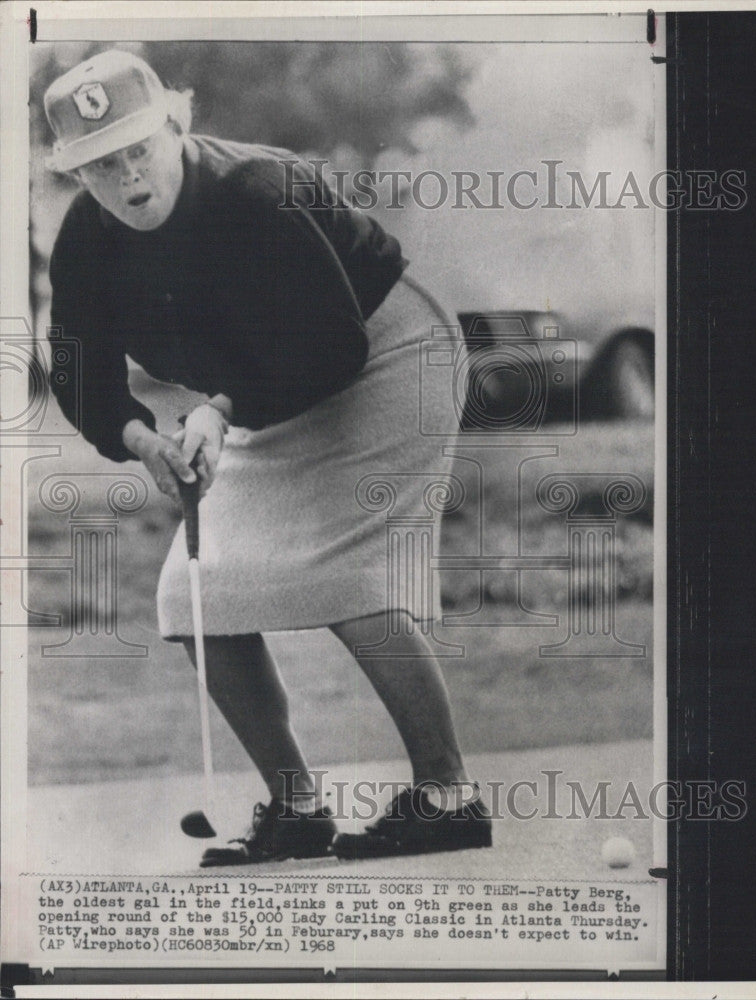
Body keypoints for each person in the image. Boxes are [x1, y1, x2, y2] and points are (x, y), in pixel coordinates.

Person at [43, 48, 491, 865]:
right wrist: (143, 439)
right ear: (78, 176)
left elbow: (332, 343)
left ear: (176, 126)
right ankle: (297, 808)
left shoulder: (253, 193)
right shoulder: (84, 245)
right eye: (102, 165)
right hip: (261, 384)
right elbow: (79, 370)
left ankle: (448, 794)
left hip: (390, 351)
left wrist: (219, 411)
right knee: (193, 591)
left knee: (349, 570)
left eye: (139, 148)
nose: (129, 176)